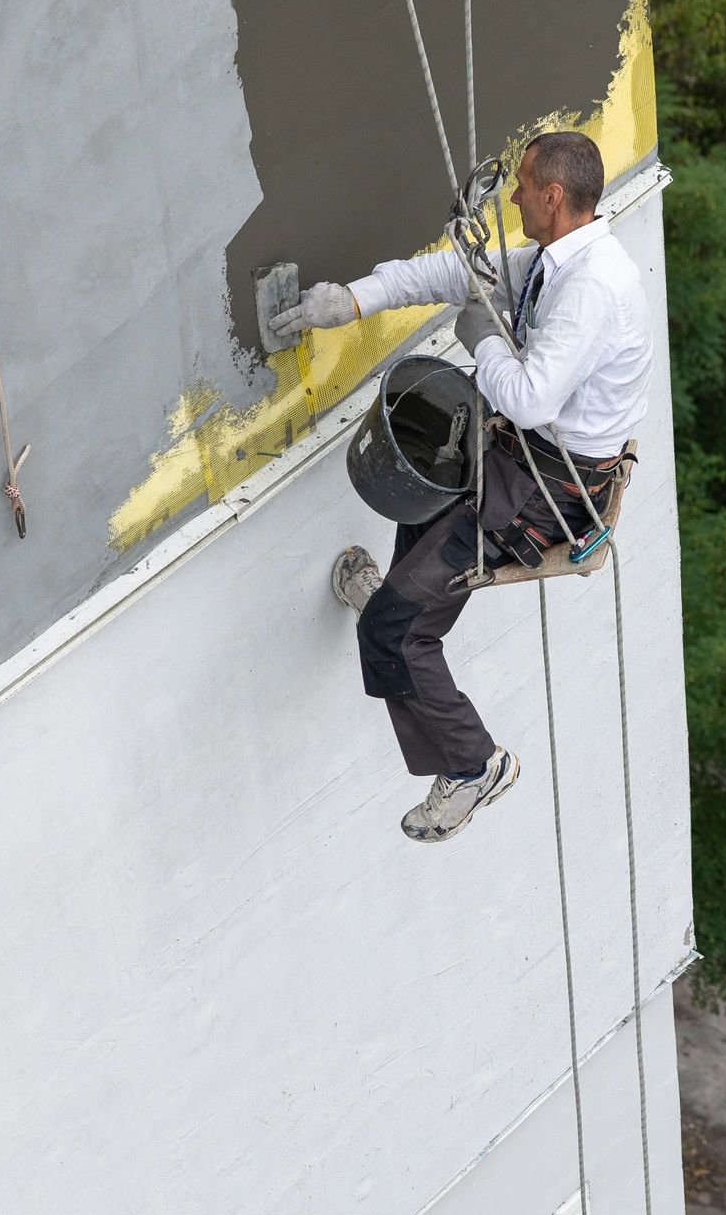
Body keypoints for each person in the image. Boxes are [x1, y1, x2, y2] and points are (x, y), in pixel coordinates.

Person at [270, 130, 652, 842]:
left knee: (392, 628)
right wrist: (350, 301)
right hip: (526, 453)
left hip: (550, 489)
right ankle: (397, 606)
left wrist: (479, 335)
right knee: (424, 507)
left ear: (552, 196)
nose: (511, 197)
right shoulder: (555, 260)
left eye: (522, 186)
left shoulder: (593, 288)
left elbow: (530, 397)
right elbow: (452, 277)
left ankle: (476, 765)